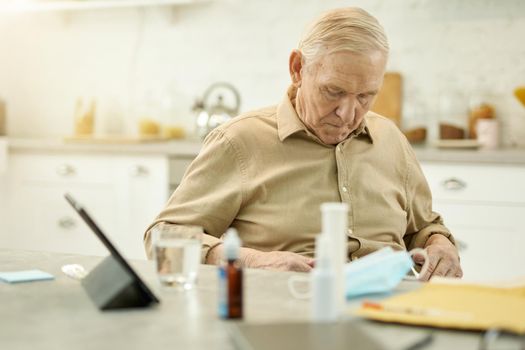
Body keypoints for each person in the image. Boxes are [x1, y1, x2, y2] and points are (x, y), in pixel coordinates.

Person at [144, 7, 462, 281]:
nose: (348, 114)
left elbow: (423, 227)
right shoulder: (239, 142)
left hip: (392, 314)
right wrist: (250, 260)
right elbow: (163, 238)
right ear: (297, 68)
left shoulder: (390, 139)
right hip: (287, 315)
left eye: (365, 96)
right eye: (333, 91)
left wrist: (439, 244)